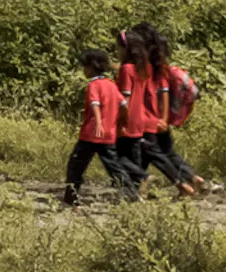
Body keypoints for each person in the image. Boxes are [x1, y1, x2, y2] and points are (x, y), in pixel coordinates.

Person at [61, 49, 137, 204]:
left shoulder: (93, 85)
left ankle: (71, 198)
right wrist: (122, 122)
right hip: (108, 135)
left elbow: (95, 104)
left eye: (85, 67)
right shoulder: (111, 85)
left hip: (91, 134)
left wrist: (98, 122)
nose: (84, 70)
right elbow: (124, 105)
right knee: (115, 168)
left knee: (75, 166)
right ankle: (133, 195)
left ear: (91, 67)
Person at [133, 27, 198, 198]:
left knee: (152, 153)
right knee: (164, 152)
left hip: (150, 119)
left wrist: (161, 118)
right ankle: (192, 178)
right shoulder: (159, 65)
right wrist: (164, 118)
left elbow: (161, 92)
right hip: (158, 118)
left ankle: (183, 185)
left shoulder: (147, 67)